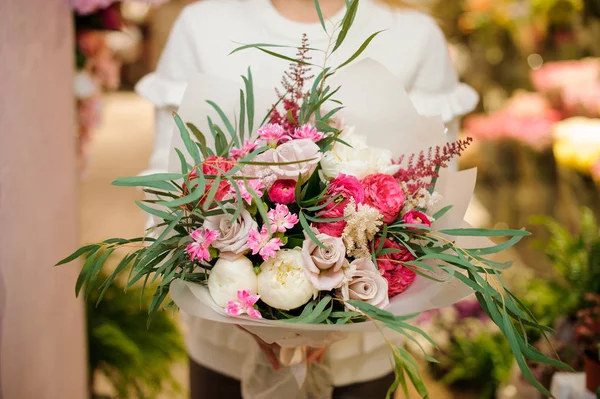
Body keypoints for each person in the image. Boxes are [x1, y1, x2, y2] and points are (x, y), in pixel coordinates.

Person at [136, 0, 478, 397]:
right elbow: (166, 189)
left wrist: (337, 317)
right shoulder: (203, 24)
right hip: (225, 352)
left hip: (362, 359)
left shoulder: (414, 36)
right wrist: (241, 308)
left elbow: (434, 209)